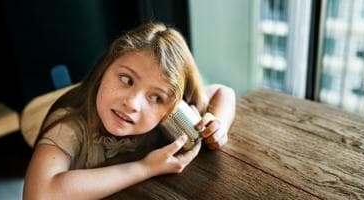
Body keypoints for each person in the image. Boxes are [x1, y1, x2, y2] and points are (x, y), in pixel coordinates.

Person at [23, 22, 236, 200]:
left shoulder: (166, 116)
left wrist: (217, 123)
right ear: (104, 70)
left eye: (156, 97)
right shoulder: (69, 125)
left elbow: (223, 92)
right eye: (127, 80)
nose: (132, 103)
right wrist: (145, 168)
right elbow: (39, 194)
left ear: (175, 107)